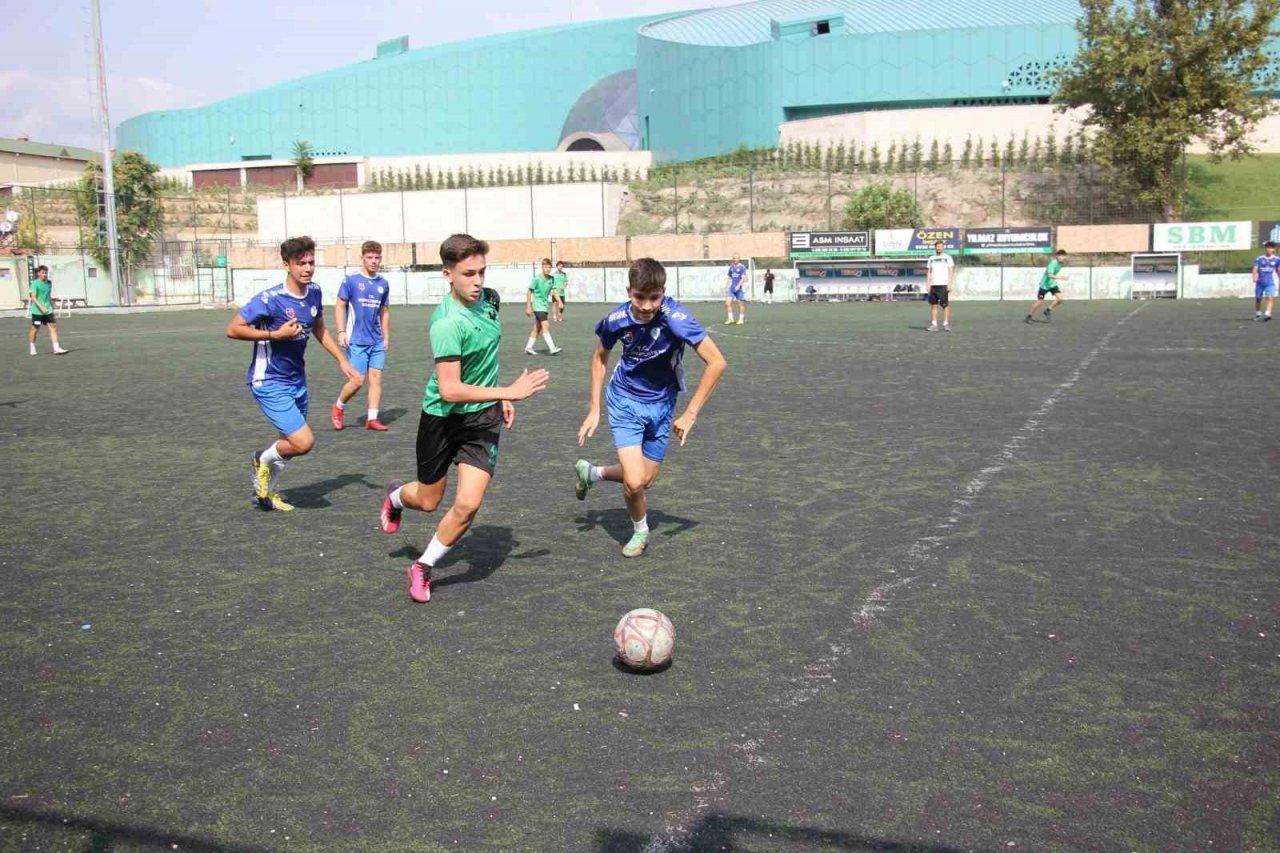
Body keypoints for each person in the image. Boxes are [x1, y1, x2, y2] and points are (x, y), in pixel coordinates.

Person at [379, 234, 549, 603]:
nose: (477, 281)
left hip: (482, 419)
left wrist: (498, 397)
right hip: (442, 418)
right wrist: (508, 392)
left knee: (469, 504)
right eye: (468, 274)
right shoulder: (446, 323)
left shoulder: (491, 301)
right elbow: (450, 390)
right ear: (447, 274)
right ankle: (395, 496)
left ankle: (423, 566)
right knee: (428, 501)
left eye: (482, 272)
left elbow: (487, 351)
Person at [574, 258, 727, 558]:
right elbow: (599, 357)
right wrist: (594, 408)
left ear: (663, 292)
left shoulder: (677, 318)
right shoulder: (616, 320)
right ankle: (640, 532)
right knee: (634, 483)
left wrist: (691, 412)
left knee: (646, 480)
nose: (646, 305)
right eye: (639, 297)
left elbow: (717, 362)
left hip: (662, 403)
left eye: (654, 297)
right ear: (629, 291)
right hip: (624, 400)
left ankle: (591, 473)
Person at [226, 236, 362, 512]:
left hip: (297, 380)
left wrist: (342, 361)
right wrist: (275, 334)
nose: (308, 268)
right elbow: (233, 329)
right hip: (269, 380)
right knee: (303, 442)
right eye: (301, 263)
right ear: (287, 264)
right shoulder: (270, 299)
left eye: (311, 262)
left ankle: (265, 494)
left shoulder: (314, 293)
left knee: (288, 443)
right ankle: (260, 459)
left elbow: (319, 328)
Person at [331, 240, 392, 431]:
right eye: (370, 257)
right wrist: (341, 332)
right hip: (356, 339)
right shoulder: (351, 280)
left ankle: (372, 419)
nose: (374, 261)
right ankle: (338, 406)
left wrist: (386, 336)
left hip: (376, 341)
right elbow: (340, 305)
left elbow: (384, 311)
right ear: (362, 258)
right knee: (357, 381)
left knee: (376, 378)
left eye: (377, 257)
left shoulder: (383, 284)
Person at [27, 266, 69, 355]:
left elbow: (47, 295)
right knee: (35, 329)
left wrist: (52, 303)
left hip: (48, 310)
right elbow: (33, 297)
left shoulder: (49, 283)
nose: (45, 274)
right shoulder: (34, 283)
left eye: (46, 272)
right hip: (37, 311)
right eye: (42, 273)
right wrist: (41, 307)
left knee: (53, 327)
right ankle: (32, 348)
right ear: (38, 273)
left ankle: (56, 348)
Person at [525, 258, 562, 354]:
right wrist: (528, 306)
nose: (548, 269)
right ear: (542, 267)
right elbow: (529, 292)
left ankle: (528, 348)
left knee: (537, 328)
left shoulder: (551, 279)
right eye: (546, 267)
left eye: (549, 267)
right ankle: (552, 348)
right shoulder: (537, 279)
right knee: (546, 325)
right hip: (537, 306)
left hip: (544, 306)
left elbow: (554, 292)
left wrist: (560, 302)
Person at [1027, 249, 1069, 323]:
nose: (1061, 257)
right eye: (1059, 255)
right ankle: (1029, 316)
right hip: (1044, 285)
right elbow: (1050, 275)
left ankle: (1047, 310)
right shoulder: (1053, 263)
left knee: (1060, 299)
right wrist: (1061, 277)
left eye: (1063, 255)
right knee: (1040, 301)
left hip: (1052, 284)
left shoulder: (1061, 263)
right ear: (1057, 256)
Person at [924, 240, 955, 332]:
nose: (939, 248)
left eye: (941, 246)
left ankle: (946, 324)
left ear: (943, 247)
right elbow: (929, 272)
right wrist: (928, 284)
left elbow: (951, 271)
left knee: (945, 305)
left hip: (943, 284)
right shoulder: (931, 258)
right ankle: (934, 325)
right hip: (933, 285)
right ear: (935, 247)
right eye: (938, 246)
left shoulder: (948, 258)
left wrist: (950, 283)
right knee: (934, 305)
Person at [1253, 241, 1278, 321]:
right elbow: (1255, 269)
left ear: (1274, 249)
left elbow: (1278, 270)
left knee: (1270, 297)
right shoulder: (1259, 259)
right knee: (1258, 298)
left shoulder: (1277, 259)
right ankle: (1258, 313)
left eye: (1270, 248)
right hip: (1260, 283)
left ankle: (1268, 313)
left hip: (1270, 283)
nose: (1268, 249)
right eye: (1267, 247)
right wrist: (1254, 276)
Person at [724, 254, 748, 324]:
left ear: (739, 259)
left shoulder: (742, 267)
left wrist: (738, 285)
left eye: (737, 258)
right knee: (727, 303)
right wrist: (726, 287)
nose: (735, 260)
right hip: (732, 288)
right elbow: (729, 277)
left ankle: (741, 319)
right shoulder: (731, 267)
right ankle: (730, 318)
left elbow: (743, 278)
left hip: (739, 289)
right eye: (734, 258)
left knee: (741, 304)